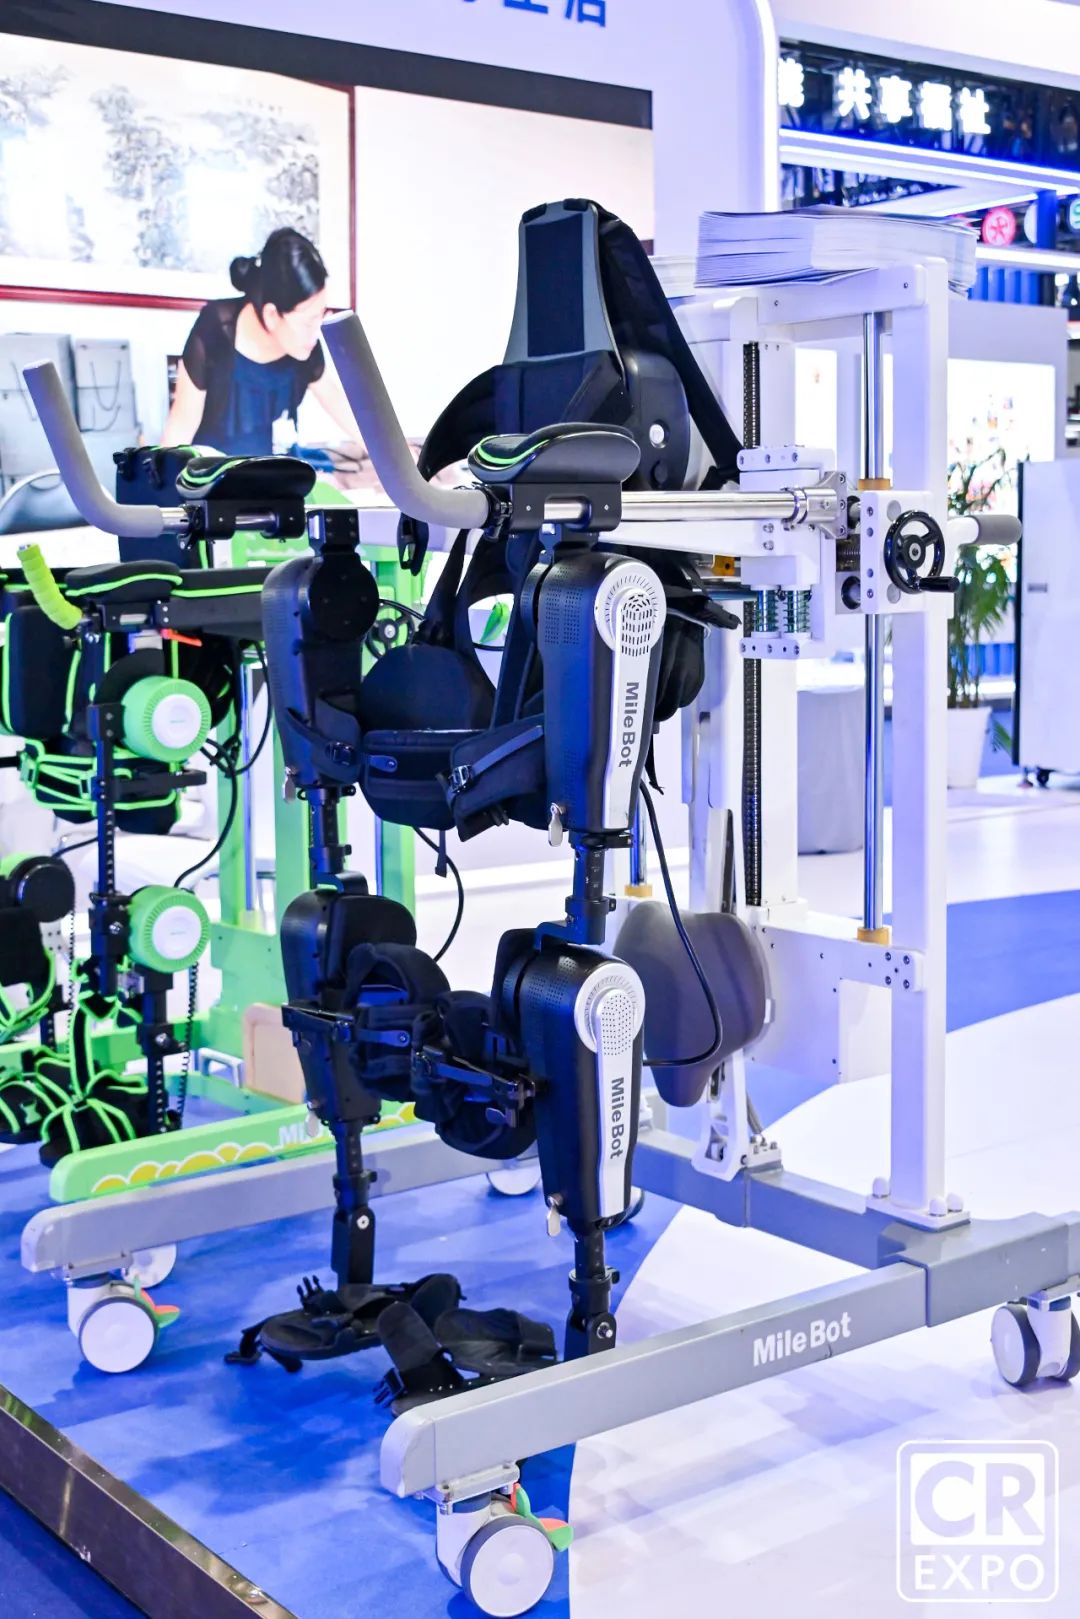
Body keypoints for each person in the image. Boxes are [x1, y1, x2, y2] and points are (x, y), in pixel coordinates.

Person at [161, 227, 359, 457]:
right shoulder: (215, 331)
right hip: (213, 472)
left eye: (321, 316)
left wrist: (389, 457)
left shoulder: (304, 344)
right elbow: (180, 427)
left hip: (268, 471)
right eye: (308, 321)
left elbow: (341, 406)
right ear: (272, 315)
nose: (318, 331)